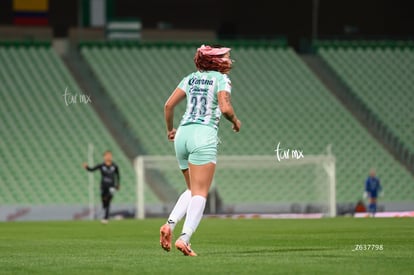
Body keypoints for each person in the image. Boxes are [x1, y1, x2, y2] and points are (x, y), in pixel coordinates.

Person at [159, 44, 241, 256]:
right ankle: (184, 239)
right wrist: (235, 120)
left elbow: (168, 106)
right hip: (203, 135)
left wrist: (170, 130)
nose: (228, 59)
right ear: (216, 61)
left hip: (182, 135)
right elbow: (225, 108)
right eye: (225, 56)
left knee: (191, 189)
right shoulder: (221, 79)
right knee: (201, 193)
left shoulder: (190, 78)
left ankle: (169, 224)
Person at [83, 150, 120, 224]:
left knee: (109, 200)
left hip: (111, 186)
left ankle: (106, 218)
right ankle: (104, 210)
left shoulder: (115, 166)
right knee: (104, 201)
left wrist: (118, 184)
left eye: (110, 155)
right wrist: (87, 167)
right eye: (107, 155)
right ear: (104, 157)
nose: (108, 157)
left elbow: (118, 175)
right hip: (103, 186)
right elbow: (92, 170)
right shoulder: (101, 165)